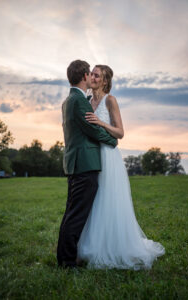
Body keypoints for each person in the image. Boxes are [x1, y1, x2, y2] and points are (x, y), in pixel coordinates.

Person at [77, 65, 165, 270]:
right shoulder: (88, 101)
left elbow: (120, 132)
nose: (92, 77)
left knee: (108, 200)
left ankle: (115, 246)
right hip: (93, 155)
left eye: (97, 75)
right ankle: (92, 244)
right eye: (91, 74)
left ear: (105, 80)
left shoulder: (110, 100)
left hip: (108, 156)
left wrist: (100, 123)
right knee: (93, 200)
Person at [57, 60, 117, 269]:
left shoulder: (68, 101)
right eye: (90, 74)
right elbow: (91, 130)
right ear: (84, 76)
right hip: (85, 165)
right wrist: (112, 140)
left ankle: (65, 257)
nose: (92, 77)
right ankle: (67, 261)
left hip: (76, 163)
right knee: (76, 215)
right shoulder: (80, 101)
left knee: (72, 212)